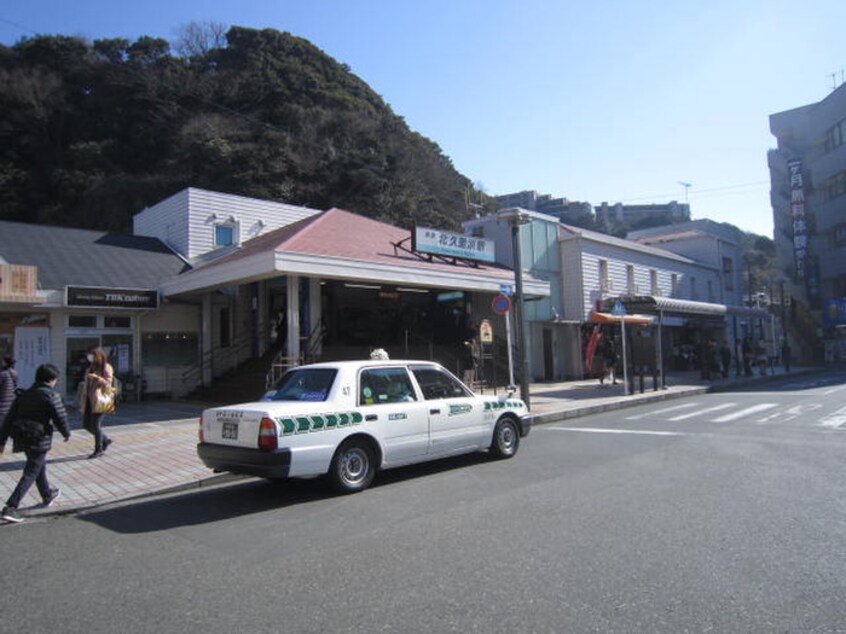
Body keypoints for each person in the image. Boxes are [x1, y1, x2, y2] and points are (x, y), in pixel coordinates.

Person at [0, 363, 70, 523]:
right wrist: (66, 433)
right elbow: (60, 416)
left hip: (22, 437)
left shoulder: (24, 394)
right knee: (31, 471)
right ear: (51, 379)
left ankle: (47, 494)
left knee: (38, 465)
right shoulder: (51, 395)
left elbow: (9, 418)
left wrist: (2, 440)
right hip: (39, 438)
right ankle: (11, 507)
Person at [79, 346, 114, 459]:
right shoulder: (90, 367)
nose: (89, 357)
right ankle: (105, 439)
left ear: (97, 356)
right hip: (89, 400)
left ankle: (98, 449)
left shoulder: (106, 367)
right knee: (86, 425)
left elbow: (108, 383)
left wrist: (97, 378)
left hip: (100, 400)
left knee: (95, 425)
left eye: (92, 355)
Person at [0, 355, 18, 423]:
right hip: (11, 405)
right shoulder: (15, 373)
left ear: (5, 362)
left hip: (2, 406)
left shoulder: (2, 374)